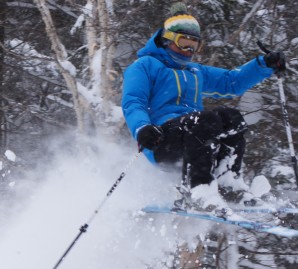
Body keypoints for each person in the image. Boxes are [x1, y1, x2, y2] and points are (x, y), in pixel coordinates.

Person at [121, 3, 286, 205]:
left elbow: (231, 82)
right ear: (168, 40)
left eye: (194, 45)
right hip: (160, 140)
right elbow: (133, 102)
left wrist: (263, 64)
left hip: (193, 137)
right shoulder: (145, 66)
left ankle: (227, 183)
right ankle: (199, 189)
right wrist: (142, 128)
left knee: (231, 117)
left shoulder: (194, 71)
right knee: (205, 119)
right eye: (184, 43)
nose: (189, 50)